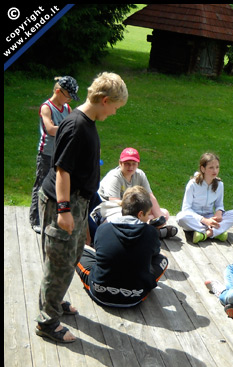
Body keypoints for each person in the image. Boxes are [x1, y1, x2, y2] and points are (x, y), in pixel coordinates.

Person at [36, 72, 128, 344]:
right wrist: (64, 212)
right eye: (115, 107)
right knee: (59, 262)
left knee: (71, 256)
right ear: (104, 100)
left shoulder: (86, 122)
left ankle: (56, 299)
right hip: (62, 202)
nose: (114, 113)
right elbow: (62, 170)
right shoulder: (77, 126)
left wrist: (84, 214)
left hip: (78, 202)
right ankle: (47, 322)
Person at [76, 186, 169, 307]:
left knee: (78, 250)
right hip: (134, 297)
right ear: (140, 214)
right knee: (163, 258)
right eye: (148, 214)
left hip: (100, 292)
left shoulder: (103, 229)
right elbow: (155, 255)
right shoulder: (150, 233)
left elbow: (100, 253)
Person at [30, 76, 79, 233]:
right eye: (68, 95)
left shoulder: (67, 108)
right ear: (58, 91)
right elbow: (50, 129)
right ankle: (35, 219)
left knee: (56, 185)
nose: (70, 99)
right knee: (40, 185)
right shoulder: (47, 107)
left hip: (60, 153)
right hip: (46, 153)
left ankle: (51, 215)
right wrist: (68, 128)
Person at [95, 147, 176, 238]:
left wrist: (160, 220)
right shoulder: (114, 177)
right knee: (123, 219)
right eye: (127, 164)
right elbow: (115, 204)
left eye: (134, 164)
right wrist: (140, 216)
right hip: (108, 211)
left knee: (165, 213)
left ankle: (147, 229)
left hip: (131, 210)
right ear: (120, 163)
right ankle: (151, 231)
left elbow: (150, 197)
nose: (131, 167)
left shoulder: (140, 174)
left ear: (138, 164)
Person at [176, 152, 233, 243]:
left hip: (211, 217)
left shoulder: (219, 184)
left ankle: (205, 234)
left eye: (217, 167)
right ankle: (216, 232)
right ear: (203, 169)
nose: (215, 171)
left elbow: (219, 205)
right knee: (181, 217)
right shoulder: (192, 184)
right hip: (195, 219)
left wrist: (219, 211)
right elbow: (186, 209)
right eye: (211, 167)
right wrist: (204, 220)